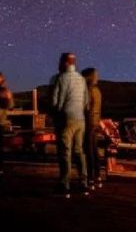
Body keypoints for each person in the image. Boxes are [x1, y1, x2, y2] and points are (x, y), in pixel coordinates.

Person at [52, 53, 90, 198]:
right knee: (79, 150)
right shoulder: (81, 79)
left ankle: (65, 183)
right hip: (80, 119)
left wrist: (58, 112)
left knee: (65, 152)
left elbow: (57, 101)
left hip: (66, 119)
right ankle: (84, 182)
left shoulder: (61, 78)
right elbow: (86, 102)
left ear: (65, 63)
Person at [81, 67, 103, 189]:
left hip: (88, 123)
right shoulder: (97, 90)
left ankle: (90, 178)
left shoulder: (88, 90)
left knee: (88, 151)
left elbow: (86, 108)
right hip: (95, 123)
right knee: (94, 150)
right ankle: (97, 176)